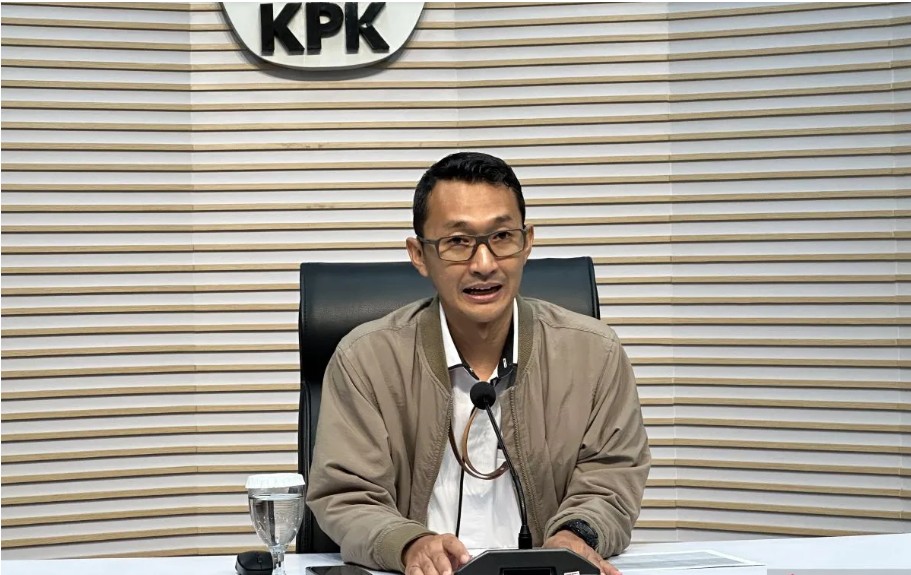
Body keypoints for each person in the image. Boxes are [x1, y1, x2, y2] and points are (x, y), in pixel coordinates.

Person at [306, 152, 650, 575]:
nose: (484, 264)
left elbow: (612, 477)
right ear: (419, 255)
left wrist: (575, 537)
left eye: (502, 236)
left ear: (527, 242)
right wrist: (410, 545)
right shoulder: (366, 360)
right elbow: (348, 495)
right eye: (458, 241)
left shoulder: (594, 353)